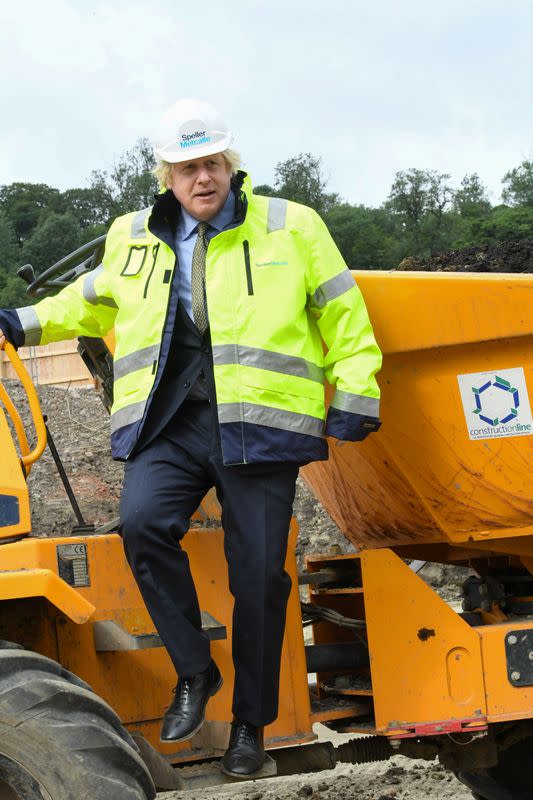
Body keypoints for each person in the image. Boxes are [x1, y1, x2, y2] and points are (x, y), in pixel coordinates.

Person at [0, 99, 382, 778]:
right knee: (143, 524)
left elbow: (341, 309)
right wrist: (19, 321)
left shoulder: (290, 227)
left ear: (230, 166)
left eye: (209, 164)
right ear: (165, 177)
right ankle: (194, 672)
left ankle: (249, 729)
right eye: (184, 168)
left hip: (260, 425)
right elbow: (86, 299)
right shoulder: (133, 235)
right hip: (169, 419)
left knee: (260, 577)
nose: (199, 178)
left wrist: (356, 394)